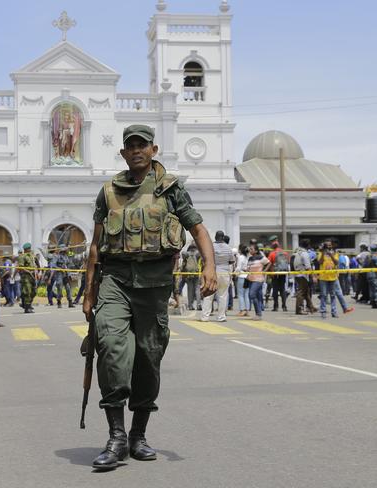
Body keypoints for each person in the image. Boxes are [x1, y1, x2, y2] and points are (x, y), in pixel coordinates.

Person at [83, 124, 217, 470]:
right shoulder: (109, 191)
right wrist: (88, 294)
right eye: (131, 146)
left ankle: (138, 435)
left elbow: (198, 229)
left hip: (155, 285)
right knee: (111, 349)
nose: (137, 150)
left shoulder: (171, 189)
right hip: (115, 280)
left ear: (153, 150)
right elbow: (95, 246)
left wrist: (209, 267)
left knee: (148, 357)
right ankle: (116, 437)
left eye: (143, 145)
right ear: (124, 153)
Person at [200, 230, 234, 322]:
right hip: (224, 274)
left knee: (208, 295)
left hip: (212, 273)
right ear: (223, 237)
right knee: (223, 296)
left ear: (215, 237)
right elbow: (232, 261)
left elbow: (205, 258)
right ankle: (221, 317)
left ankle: (205, 317)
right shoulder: (228, 248)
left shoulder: (211, 247)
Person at [246, 244, 270, 321]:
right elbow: (248, 267)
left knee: (252, 294)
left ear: (256, 250)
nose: (250, 250)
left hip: (258, 279)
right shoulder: (250, 258)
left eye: (251, 249)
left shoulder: (261, 258)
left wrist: (264, 271)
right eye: (250, 249)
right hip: (250, 279)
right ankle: (258, 313)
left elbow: (269, 263)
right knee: (256, 296)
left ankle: (258, 313)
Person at [292, 239, 316, 315]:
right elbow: (308, 267)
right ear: (308, 245)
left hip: (297, 274)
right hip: (302, 275)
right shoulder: (305, 254)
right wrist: (313, 277)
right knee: (301, 292)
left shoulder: (297, 252)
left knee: (306, 291)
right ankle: (299, 309)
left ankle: (311, 307)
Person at [267, 236, 289, 312]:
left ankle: (275, 306)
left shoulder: (272, 253)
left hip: (275, 273)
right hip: (283, 273)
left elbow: (269, 264)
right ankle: (284, 306)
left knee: (275, 290)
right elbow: (287, 262)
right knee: (282, 289)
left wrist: (268, 272)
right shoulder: (285, 252)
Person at [181, 242, 202, 310]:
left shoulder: (187, 254)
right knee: (197, 289)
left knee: (190, 290)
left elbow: (183, 254)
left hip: (189, 274)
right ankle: (199, 305)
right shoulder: (197, 253)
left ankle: (190, 305)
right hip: (196, 273)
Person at [17, 243, 36, 313]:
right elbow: (21, 267)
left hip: (32, 276)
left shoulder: (31, 256)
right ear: (26, 249)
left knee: (34, 292)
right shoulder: (22, 257)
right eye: (29, 248)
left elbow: (34, 264)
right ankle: (27, 307)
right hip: (26, 276)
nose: (30, 249)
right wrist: (28, 271)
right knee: (27, 291)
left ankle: (27, 304)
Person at [366, 243, 377, 309]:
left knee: (371, 289)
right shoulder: (376, 256)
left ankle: (373, 303)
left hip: (368, 274)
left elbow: (364, 265)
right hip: (375, 274)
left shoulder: (368, 256)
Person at [234, 244, 250, 316]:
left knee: (240, 294)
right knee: (246, 294)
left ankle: (242, 310)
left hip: (241, 276)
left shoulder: (240, 257)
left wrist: (234, 273)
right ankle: (247, 310)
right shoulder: (247, 257)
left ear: (240, 250)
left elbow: (238, 268)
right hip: (247, 276)